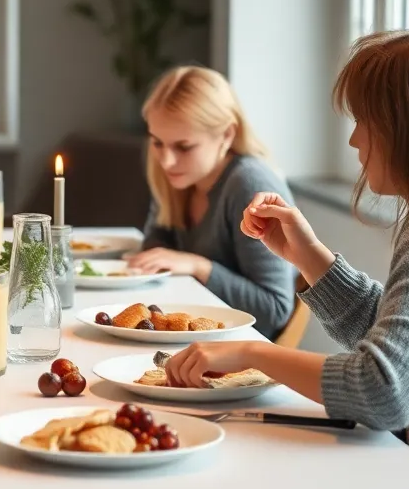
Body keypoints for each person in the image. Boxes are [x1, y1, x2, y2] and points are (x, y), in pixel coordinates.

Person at [167, 30, 409, 489]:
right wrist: (309, 255)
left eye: (365, 122)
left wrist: (251, 351)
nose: (354, 141)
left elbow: (387, 389)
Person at [125, 66, 296, 339]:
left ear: (227, 135)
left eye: (184, 147)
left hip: (242, 348)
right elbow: (157, 243)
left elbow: (274, 310)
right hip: (191, 335)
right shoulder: (176, 172)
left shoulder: (250, 185)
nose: (166, 160)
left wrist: (198, 266)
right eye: (157, 143)